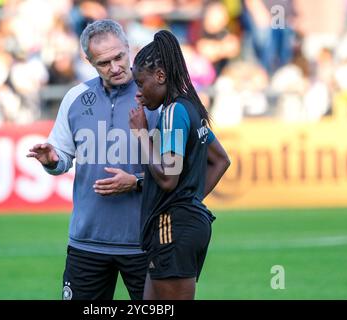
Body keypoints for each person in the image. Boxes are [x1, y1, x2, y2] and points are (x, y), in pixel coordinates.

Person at [26, 19, 159, 300]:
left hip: (145, 243)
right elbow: (61, 159)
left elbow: (175, 170)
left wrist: (135, 182)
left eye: (119, 57)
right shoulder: (75, 97)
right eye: (104, 62)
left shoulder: (156, 96)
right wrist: (52, 159)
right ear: (88, 61)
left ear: (129, 48)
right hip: (87, 243)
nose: (115, 67)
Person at [129, 30, 231, 300]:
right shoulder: (190, 108)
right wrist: (191, 201)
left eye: (141, 83)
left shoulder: (174, 111)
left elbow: (168, 177)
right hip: (185, 224)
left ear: (160, 76)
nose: (138, 93)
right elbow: (221, 160)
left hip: (173, 227)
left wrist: (140, 132)